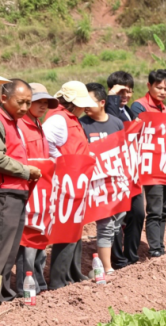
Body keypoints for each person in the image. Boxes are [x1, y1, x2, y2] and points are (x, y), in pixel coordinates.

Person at [42, 81, 95, 290]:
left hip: (76, 180)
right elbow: (45, 142)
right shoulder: (58, 119)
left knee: (75, 228)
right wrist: (61, 161)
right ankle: (58, 279)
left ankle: (72, 273)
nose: (85, 107)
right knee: (66, 229)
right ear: (72, 103)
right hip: (66, 181)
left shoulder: (72, 119)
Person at [0, 79, 44, 304]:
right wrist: (26, 171)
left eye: (28, 102)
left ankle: (5, 293)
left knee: (10, 250)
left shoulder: (15, 121)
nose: (25, 108)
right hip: (6, 192)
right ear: (4, 98)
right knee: (3, 247)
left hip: (18, 191)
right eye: (21, 102)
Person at [13, 83, 55, 297]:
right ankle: (25, 286)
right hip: (27, 190)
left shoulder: (39, 125)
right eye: (39, 101)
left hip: (43, 193)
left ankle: (38, 282)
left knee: (40, 237)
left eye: (46, 102)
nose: (43, 106)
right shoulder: (19, 125)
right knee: (27, 240)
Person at [81, 83, 127, 278]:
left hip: (116, 183)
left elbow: (122, 150)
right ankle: (106, 269)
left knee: (117, 223)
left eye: (88, 101)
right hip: (96, 184)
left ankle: (102, 264)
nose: (84, 105)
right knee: (105, 225)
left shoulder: (116, 123)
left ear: (102, 102)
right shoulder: (82, 124)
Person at [131, 69, 166, 258]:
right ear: (149, 86)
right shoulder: (139, 107)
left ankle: (161, 247)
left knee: (164, 209)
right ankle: (154, 249)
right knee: (154, 209)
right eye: (159, 87)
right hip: (150, 166)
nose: (163, 91)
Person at [105, 71, 143, 270]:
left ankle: (131, 255)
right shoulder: (109, 111)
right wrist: (112, 96)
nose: (125, 95)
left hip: (132, 173)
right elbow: (110, 121)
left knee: (137, 214)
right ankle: (118, 260)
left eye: (129, 91)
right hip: (116, 172)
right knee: (117, 217)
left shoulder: (129, 112)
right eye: (121, 91)